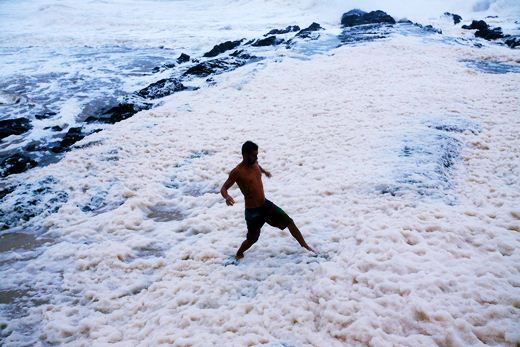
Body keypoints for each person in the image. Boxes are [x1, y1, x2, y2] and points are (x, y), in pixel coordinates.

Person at [220, 141, 316, 260]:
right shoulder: (238, 171)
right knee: (252, 239)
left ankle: (305, 246)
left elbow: (258, 166)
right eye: (253, 155)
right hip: (252, 212)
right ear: (245, 155)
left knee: (289, 222)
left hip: (265, 205)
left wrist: (264, 172)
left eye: (257, 155)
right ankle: (239, 253)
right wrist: (227, 197)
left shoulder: (255, 163)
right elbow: (223, 188)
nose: (256, 157)